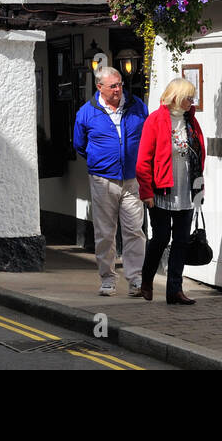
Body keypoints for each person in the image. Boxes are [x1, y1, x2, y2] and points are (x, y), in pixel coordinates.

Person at [73, 66, 149, 297]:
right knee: (105, 232)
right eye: (113, 86)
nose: (118, 90)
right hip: (102, 179)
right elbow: (79, 145)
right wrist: (100, 161)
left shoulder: (137, 107)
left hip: (132, 179)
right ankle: (107, 278)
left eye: (120, 85)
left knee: (135, 230)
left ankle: (135, 280)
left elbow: (146, 137)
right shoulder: (86, 112)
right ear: (99, 87)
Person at [136, 77, 206, 305]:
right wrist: (146, 192)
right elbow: (143, 160)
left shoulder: (191, 122)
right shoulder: (155, 120)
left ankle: (174, 290)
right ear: (176, 97)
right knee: (161, 237)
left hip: (186, 189)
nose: (191, 101)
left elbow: (199, 156)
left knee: (182, 240)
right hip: (161, 190)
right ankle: (146, 279)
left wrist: (199, 188)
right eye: (188, 97)